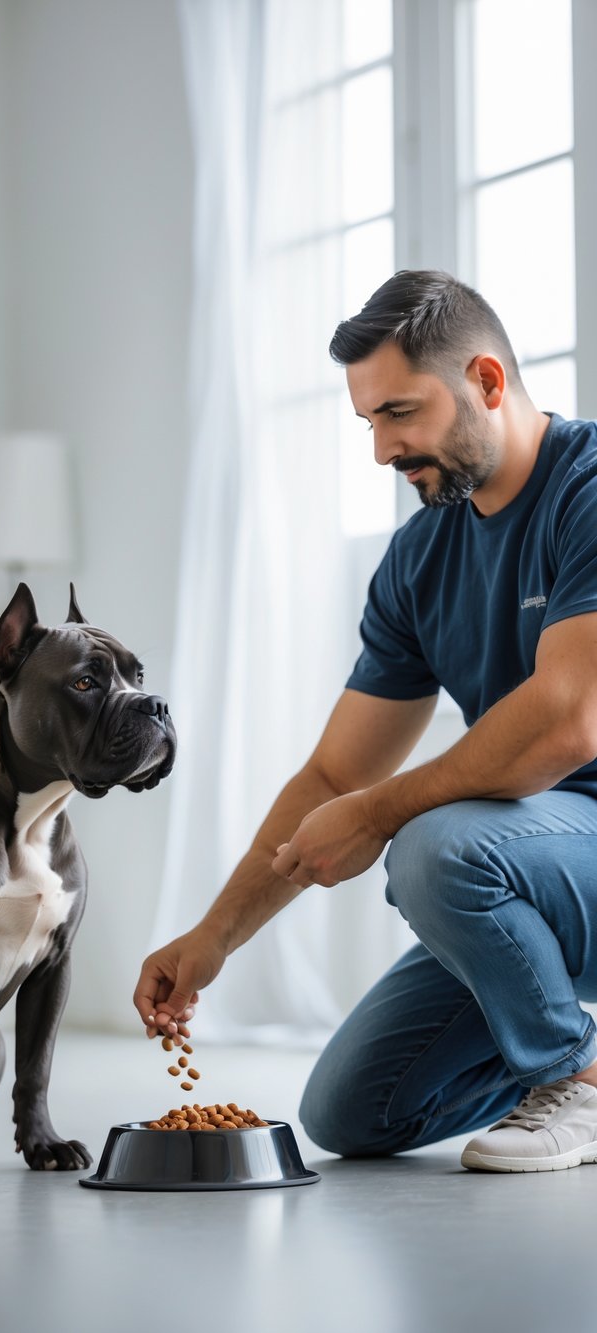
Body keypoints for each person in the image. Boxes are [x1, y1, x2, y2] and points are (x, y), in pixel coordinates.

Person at [133, 269, 597, 1173]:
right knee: (354, 1109)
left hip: (563, 853)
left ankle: (573, 1082)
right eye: (369, 423)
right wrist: (213, 936)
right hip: (532, 875)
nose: (383, 449)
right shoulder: (418, 559)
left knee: (434, 843)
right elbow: (334, 777)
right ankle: (572, 1063)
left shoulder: (587, 490)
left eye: (401, 413)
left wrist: (385, 813)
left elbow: (571, 721)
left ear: (488, 383)